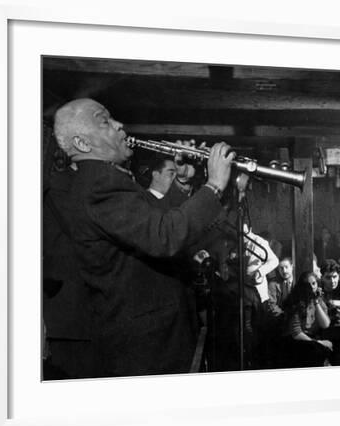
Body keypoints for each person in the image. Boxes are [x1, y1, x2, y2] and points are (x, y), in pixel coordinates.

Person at [53, 98, 235, 377]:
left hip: (151, 335)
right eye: (105, 121)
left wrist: (184, 181)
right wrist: (214, 185)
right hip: (145, 344)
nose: (119, 125)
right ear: (82, 144)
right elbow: (164, 235)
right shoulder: (99, 184)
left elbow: (155, 220)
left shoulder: (104, 180)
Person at [281, 271, 332, 367]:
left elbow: (325, 324)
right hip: (296, 342)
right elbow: (296, 333)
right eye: (308, 284)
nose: (312, 287)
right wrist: (318, 342)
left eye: (314, 283)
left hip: (311, 339)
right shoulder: (295, 301)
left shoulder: (318, 299)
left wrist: (316, 302)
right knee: (317, 350)